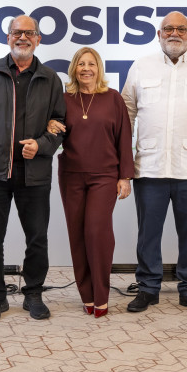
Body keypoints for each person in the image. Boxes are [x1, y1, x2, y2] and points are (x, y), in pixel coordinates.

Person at [121, 11, 187, 314]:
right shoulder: (141, 67)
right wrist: (124, 158)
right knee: (148, 233)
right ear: (158, 34)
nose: (174, 33)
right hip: (150, 166)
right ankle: (147, 288)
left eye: (181, 29)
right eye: (168, 28)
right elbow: (126, 113)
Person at [0, 14, 66, 322]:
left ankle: (33, 293)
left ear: (39, 39)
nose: (23, 37)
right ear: (7, 38)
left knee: (37, 238)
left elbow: (61, 126)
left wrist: (43, 144)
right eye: (17, 33)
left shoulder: (51, 78)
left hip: (34, 175)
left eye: (29, 33)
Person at [46, 48, 134, 318]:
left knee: (97, 232)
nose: (86, 68)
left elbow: (124, 138)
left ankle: (101, 295)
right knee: (77, 235)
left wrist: (125, 176)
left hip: (104, 176)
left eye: (91, 64)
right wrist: (48, 124)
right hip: (71, 175)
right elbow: (51, 130)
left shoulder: (113, 99)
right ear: (74, 69)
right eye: (81, 64)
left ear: (99, 68)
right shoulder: (63, 99)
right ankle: (86, 295)